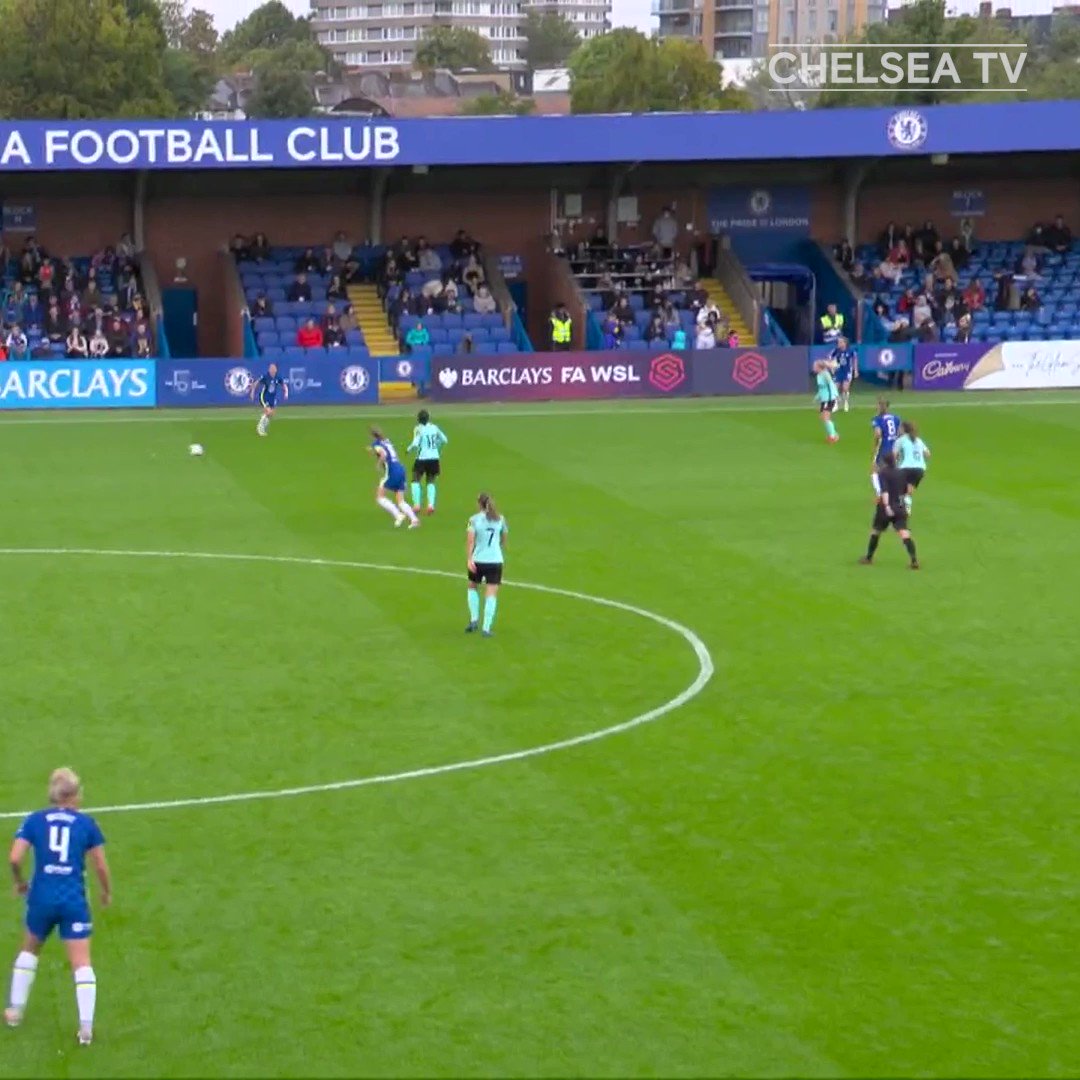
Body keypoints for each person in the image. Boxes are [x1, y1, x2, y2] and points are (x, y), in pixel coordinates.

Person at [5, 767, 111, 1046]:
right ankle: (85, 1028)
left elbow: (15, 858)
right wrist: (106, 892)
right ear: (74, 795)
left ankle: (15, 1012)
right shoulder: (87, 824)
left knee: (29, 951)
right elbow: (100, 864)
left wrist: (19, 882)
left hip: (41, 898)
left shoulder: (34, 820)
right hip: (73, 899)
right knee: (81, 963)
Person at [861, 451, 920, 570]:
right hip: (899, 506)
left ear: (885, 462)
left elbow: (885, 491)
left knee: (876, 531)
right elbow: (908, 490)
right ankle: (914, 560)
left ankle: (868, 558)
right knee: (904, 533)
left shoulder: (883, 473)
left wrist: (887, 506)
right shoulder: (902, 473)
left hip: (886, 507)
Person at [465, 492, 508, 638]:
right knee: (491, 594)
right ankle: (486, 628)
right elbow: (504, 538)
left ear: (479, 504)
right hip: (495, 561)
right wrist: (497, 549)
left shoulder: (474, 520)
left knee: (472, 586)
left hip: (478, 560)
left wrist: (469, 559)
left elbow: (470, 541)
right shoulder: (500, 519)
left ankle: (473, 620)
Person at [370, 429, 420, 529]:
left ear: (372, 436)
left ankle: (398, 515)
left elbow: (383, 455)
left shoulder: (376, 444)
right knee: (400, 501)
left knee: (380, 497)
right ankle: (414, 520)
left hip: (392, 471)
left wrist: (378, 464)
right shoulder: (387, 441)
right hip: (400, 469)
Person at [407, 408, 449, 515]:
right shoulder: (435, 427)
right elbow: (444, 440)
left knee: (415, 480)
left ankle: (416, 504)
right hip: (434, 458)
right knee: (431, 481)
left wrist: (409, 449)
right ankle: (430, 505)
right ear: (428, 418)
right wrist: (436, 447)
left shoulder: (418, 429)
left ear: (418, 419)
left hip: (421, 458)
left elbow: (416, 443)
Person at [894, 420, 930, 513]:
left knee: (899, 489)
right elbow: (928, 454)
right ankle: (907, 507)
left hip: (905, 468)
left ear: (903, 429)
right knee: (908, 490)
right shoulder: (918, 440)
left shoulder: (900, 440)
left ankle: (901, 508)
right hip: (920, 469)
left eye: (900, 428)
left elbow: (894, 455)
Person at [250, 362, 288, 437]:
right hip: (265, 397)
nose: (272, 370)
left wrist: (286, 392)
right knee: (268, 412)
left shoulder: (278, 377)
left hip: (272, 398)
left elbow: (284, 385)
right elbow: (256, 383)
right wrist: (252, 392)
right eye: (271, 368)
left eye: (273, 368)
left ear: (276, 369)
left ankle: (263, 426)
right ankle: (260, 428)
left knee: (271, 414)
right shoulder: (265, 376)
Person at [870, 397, 902, 469]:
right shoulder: (896, 418)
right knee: (894, 472)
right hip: (895, 450)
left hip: (884, 450)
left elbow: (878, 434)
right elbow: (900, 434)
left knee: (879, 472)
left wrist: (874, 446)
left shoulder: (877, 419)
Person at [813, 359, 840, 444]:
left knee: (825, 417)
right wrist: (817, 397)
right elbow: (822, 388)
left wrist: (835, 395)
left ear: (819, 367)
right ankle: (834, 434)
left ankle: (833, 436)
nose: (813, 368)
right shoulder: (819, 375)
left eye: (815, 366)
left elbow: (831, 385)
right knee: (823, 417)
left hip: (829, 399)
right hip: (824, 399)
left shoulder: (825, 374)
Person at [830, 336, 858, 412]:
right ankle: (835, 404)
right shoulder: (836, 350)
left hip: (847, 371)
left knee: (845, 388)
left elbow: (855, 360)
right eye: (838, 342)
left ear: (844, 343)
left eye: (840, 342)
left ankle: (846, 403)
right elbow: (830, 357)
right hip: (838, 371)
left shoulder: (850, 351)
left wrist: (855, 370)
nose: (838, 343)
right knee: (835, 388)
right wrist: (832, 367)